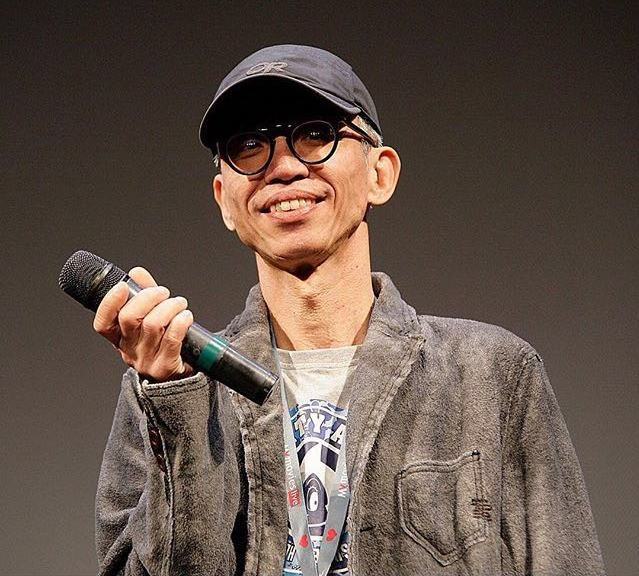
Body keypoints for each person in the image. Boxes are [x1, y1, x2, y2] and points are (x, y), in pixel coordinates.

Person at [94, 45, 605, 576]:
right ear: (224, 199)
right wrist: (175, 401)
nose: (283, 167)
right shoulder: (162, 389)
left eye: (316, 134)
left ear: (380, 173)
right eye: (249, 146)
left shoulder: (493, 375)